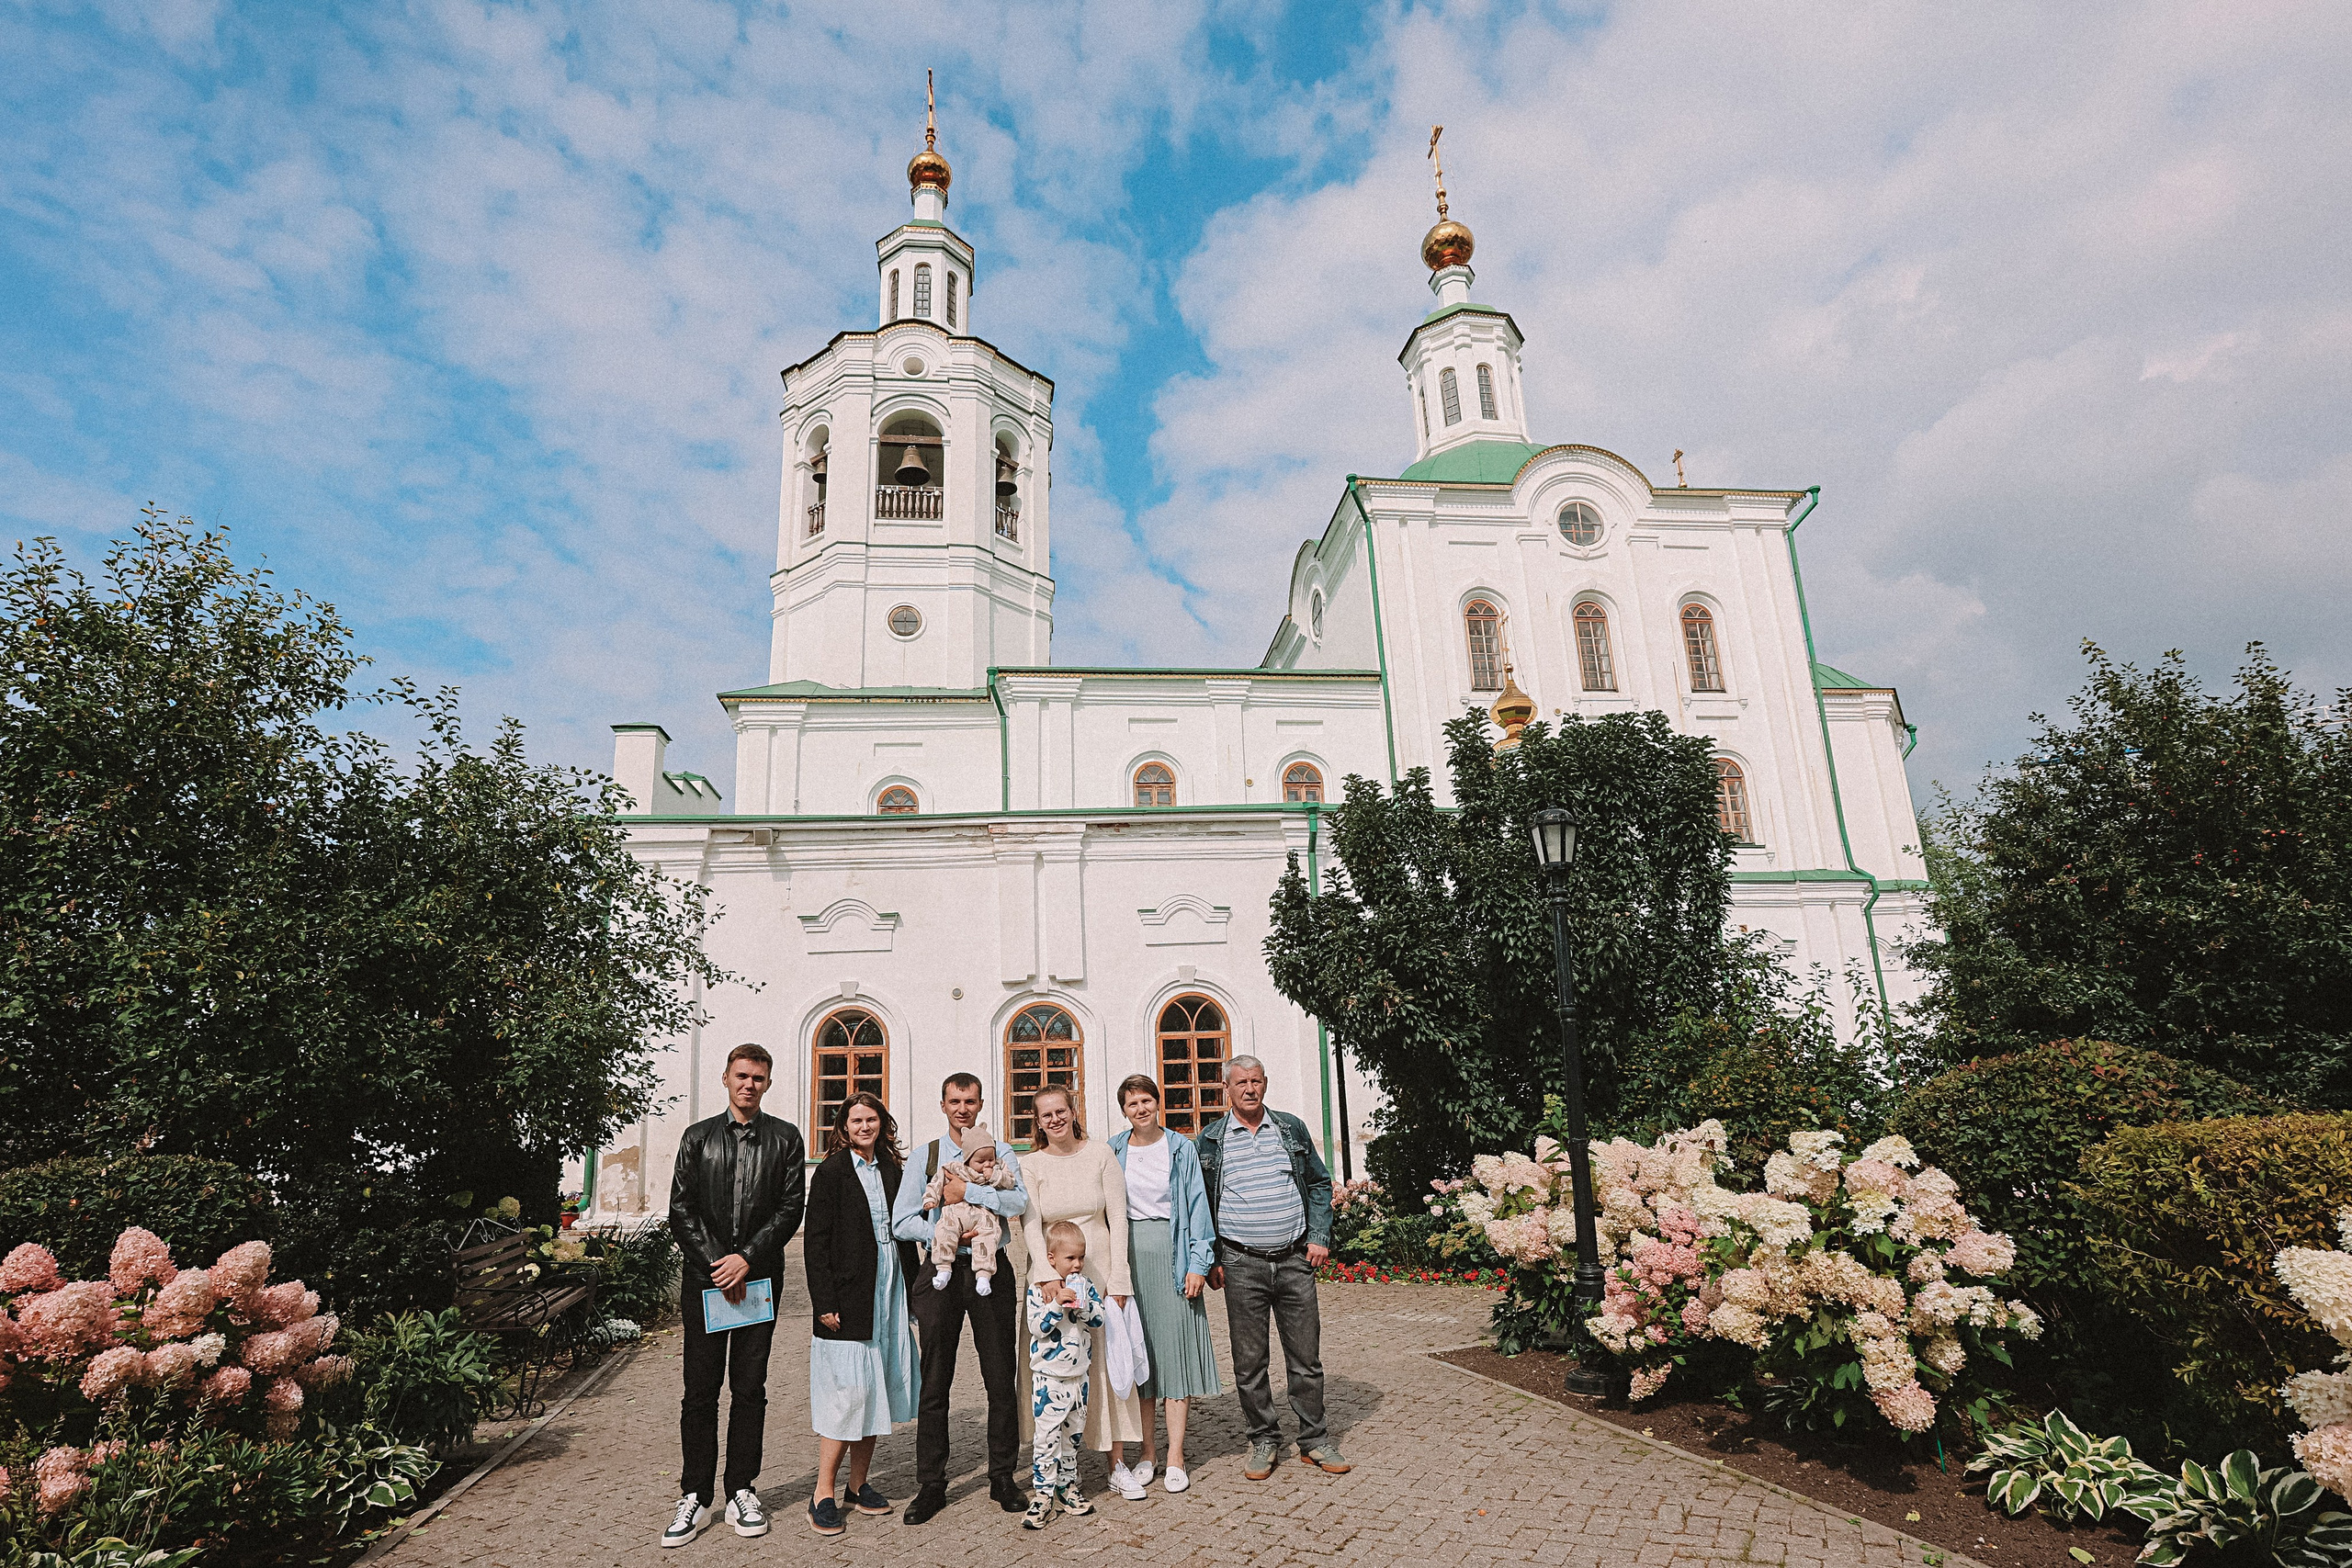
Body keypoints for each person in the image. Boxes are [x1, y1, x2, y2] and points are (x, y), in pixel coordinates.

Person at [663, 1043, 807, 1549]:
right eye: (742, 1076)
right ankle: (695, 1495)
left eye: (758, 1078)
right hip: (706, 1282)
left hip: (758, 1282)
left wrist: (745, 1258)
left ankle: (742, 1488)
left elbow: (790, 1207)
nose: (749, 1085)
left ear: (768, 1083)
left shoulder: (785, 1138)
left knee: (749, 1388)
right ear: (725, 1078)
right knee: (700, 1391)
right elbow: (681, 1208)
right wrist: (718, 1263)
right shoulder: (697, 1137)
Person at [888, 1073, 1031, 1523]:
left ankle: (1002, 1476)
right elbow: (902, 1220)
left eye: (970, 1101)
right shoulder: (927, 1156)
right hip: (941, 1271)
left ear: (980, 1104)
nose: (962, 1109)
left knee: (999, 1375)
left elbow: (1019, 1203)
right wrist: (944, 1232)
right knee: (935, 1379)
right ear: (943, 1105)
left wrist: (968, 1191)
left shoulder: (1000, 1151)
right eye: (955, 1102)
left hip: (991, 1269)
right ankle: (931, 1484)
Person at [1197, 1055, 1347, 1481]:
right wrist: (1211, 1259)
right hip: (1241, 1263)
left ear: (1265, 1083)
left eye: (1256, 1081)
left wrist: (1319, 1235)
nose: (1250, 1089)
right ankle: (1263, 1438)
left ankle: (1314, 1440)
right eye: (1241, 1082)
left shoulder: (1290, 1129)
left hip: (1295, 1259)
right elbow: (1200, 1204)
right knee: (1249, 1363)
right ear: (1226, 1088)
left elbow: (1318, 1183)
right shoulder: (1210, 1141)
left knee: (1305, 1357)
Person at [803, 1091, 919, 1536]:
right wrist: (824, 1301)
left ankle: (857, 1485)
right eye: (856, 1121)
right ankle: (822, 1493)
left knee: (876, 1389)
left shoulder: (892, 1170)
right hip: (849, 1296)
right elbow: (815, 1241)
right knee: (847, 1394)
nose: (865, 1127)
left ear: (881, 1124)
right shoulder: (831, 1171)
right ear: (844, 1127)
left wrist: (916, 1292)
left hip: (889, 1291)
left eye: (871, 1119)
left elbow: (905, 1233)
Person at [1017, 1084, 1144, 1471]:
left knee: (1106, 1361)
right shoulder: (1031, 1164)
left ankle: (1116, 1463)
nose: (1055, 1119)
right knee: (1053, 1363)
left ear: (1073, 1112)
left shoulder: (1101, 1154)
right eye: (1046, 1115)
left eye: (1061, 1111)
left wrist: (1119, 1277)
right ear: (1038, 1122)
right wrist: (1045, 1276)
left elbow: (1118, 1218)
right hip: (1051, 1276)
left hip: (1099, 1270)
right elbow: (1030, 1223)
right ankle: (1053, 1465)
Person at [1106, 1075, 1220, 1498]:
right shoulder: (1114, 1149)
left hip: (1173, 1254)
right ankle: (1148, 1453)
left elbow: (1198, 1207)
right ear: (1124, 1110)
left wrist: (1198, 1264)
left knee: (1174, 1357)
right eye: (1132, 1103)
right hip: (1129, 1258)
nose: (1141, 1109)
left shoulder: (1180, 1148)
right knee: (1142, 1358)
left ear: (1158, 1103)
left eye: (1146, 1100)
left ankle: (1175, 1456)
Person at [1023, 1219, 1109, 1529]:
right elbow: (1037, 1328)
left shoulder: (1085, 1284)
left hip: (1078, 1377)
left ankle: (1067, 1486)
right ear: (1051, 1258)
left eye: (1081, 1257)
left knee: (1072, 1438)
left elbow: (1099, 1319)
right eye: (1070, 1258)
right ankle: (1042, 1494)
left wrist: (1082, 1305)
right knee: (1046, 1439)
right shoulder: (1039, 1289)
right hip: (1049, 1378)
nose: (1077, 1264)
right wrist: (1058, 1305)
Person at [921, 1123, 1018, 1294]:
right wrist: (931, 1198)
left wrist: (994, 1176)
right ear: (967, 1159)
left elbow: (1011, 1183)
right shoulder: (956, 1168)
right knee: (944, 1229)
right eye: (980, 1161)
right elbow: (937, 1181)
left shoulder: (998, 1167)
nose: (987, 1164)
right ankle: (943, 1268)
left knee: (988, 1236)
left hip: (983, 1214)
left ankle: (984, 1275)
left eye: (990, 1159)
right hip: (956, 1212)